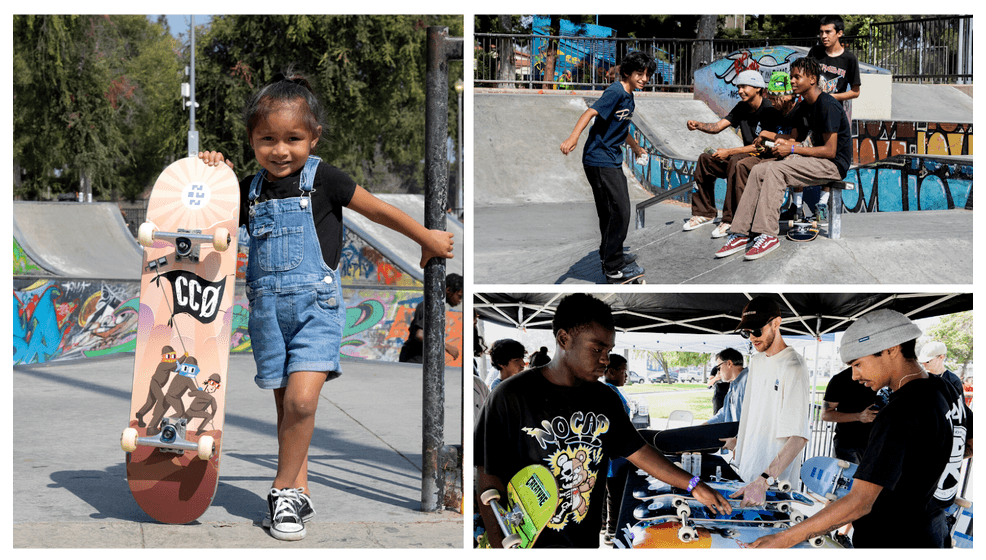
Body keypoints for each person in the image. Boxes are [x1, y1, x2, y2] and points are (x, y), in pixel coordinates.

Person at [197, 71, 454, 541]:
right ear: (251, 140)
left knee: (301, 400)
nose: (280, 150)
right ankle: (301, 489)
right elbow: (204, 215)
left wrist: (426, 237)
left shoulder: (324, 178)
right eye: (267, 139)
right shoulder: (246, 190)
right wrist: (209, 170)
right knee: (287, 412)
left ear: (313, 138)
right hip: (267, 315)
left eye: (293, 138)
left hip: (316, 310)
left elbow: (376, 209)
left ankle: (281, 492)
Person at [475, 293, 731, 547]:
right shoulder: (510, 395)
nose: (605, 359)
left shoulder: (605, 398)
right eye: (597, 348)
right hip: (528, 543)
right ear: (564, 339)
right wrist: (499, 544)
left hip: (583, 542)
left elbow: (639, 451)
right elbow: (487, 474)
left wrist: (694, 484)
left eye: (608, 350)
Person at [751, 309, 972, 548]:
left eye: (858, 364)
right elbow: (970, 443)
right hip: (934, 531)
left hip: (895, 537)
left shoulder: (900, 411)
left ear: (891, 349)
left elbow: (860, 502)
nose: (855, 375)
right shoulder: (944, 389)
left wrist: (784, 539)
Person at [715, 56, 852, 260]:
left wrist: (793, 149)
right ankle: (741, 232)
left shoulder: (827, 105)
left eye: (797, 77)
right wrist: (779, 141)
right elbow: (793, 137)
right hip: (815, 160)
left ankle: (767, 234)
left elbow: (830, 151)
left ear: (813, 79)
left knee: (774, 170)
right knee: (758, 169)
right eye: (791, 77)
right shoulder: (806, 106)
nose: (793, 81)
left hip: (832, 165)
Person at [560, 51, 656, 283]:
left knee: (611, 212)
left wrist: (634, 147)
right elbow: (590, 112)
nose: (644, 78)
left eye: (647, 75)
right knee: (620, 212)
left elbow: (622, 126)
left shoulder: (629, 96)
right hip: (599, 159)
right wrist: (573, 138)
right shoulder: (615, 91)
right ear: (627, 73)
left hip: (610, 159)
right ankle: (613, 267)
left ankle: (611, 254)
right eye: (639, 74)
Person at [724, 296, 809, 507]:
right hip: (744, 473)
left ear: (776, 323)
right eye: (747, 332)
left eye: (757, 330)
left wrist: (763, 481)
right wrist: (739, 440)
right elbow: (756, 413)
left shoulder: (793, 366)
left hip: (770, 487)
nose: (752, 337)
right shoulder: (757, 360)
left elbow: (798, 437)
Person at [683, 70, 776, 239]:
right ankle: (705, 212)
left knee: (735, 159)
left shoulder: (769, 110)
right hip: (743, 157)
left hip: (762, 160)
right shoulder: (742, 107)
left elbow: (761, 148)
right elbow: (718, 127)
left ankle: (731, 218)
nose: (740, 91)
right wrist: (698, 125)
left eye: (744, 87)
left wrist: (729, 152)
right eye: (738, 87)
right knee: (705, 160)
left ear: (757, 88)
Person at [807, 15, 862, 219]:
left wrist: (830, 97)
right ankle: (795, 206)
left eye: (828, 32)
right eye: (821, 32)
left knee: (830, 158)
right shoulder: (815, 53)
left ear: (839, 33)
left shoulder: (849, 59)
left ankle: (822, 205)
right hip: (811, 113)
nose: (823, 36)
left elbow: (855, 91)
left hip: (833, 116)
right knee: (801, 151)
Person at [822, 367, 885, 464]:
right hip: (849, 444)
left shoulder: (889, 377)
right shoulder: (841, 379)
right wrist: (859, 416)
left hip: (881, 444)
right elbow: (826, 414)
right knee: (849, 478)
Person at [398, 273, 464, 363]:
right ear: (448, 290)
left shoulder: (437, 306)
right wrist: (447, 346)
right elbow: (420, 335)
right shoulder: (431, 305)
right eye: (460, 296)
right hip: (414, 359)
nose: (460, 301)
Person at [601, 354, 630, 545]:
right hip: (614, 456)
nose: (626, 376)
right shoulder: (609, 393)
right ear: (611, 371)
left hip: (615, 454)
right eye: (623, 371)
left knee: (609, 493)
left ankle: (605, 526)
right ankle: (612, 531)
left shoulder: (610, 390)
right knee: (615, 495)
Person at [705, 348, 749, 425]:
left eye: (719, 367)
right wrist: (705, 425)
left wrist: (737, 437)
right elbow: (725, 411)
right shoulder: (733, 384)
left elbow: (752, 415)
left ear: (729, 363)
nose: (719, 371)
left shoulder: (747, 381)